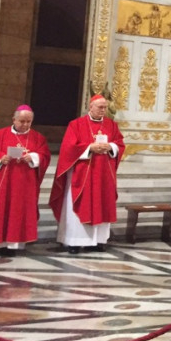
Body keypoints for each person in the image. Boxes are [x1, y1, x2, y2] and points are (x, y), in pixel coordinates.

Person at [49, 95, 125, 253]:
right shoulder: (76, 124)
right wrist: (89, 148)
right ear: (91, 107)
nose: (103, 110)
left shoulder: (111, 125)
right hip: (82, 174)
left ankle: (98, 241)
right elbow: (68, 148)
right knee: (79, 205)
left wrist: (111, 147)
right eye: (100, 107)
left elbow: (120, 144)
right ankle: (75, 242)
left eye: (105, 107)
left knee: (102, 204)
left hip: (104, 175)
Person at [0, 106, 51, 256]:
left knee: (16, 213)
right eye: (22, 121)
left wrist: (33, 157)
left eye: (29, 121)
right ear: (14, 119)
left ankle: (11, 246)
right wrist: (0, 157)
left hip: (24, 184)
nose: (25, 124)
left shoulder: (38, 138)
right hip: (2, 183)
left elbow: (45, 155)